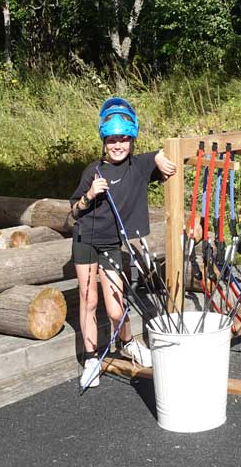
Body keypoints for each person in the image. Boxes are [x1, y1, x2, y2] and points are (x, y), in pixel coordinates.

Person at [70, 97, 176, 388]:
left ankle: (129, 342)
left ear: (132, 139)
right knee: (88, 299)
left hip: (112, 244)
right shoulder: (92, 170)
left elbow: (159, 157)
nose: (118, 145)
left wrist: (159, 157)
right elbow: (74, 212)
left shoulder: (138, 166)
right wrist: (89, 195)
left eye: (124, 139)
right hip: (85, 239)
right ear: (104, 140)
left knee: (116, 307)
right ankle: (91, 358)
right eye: (112, 139)